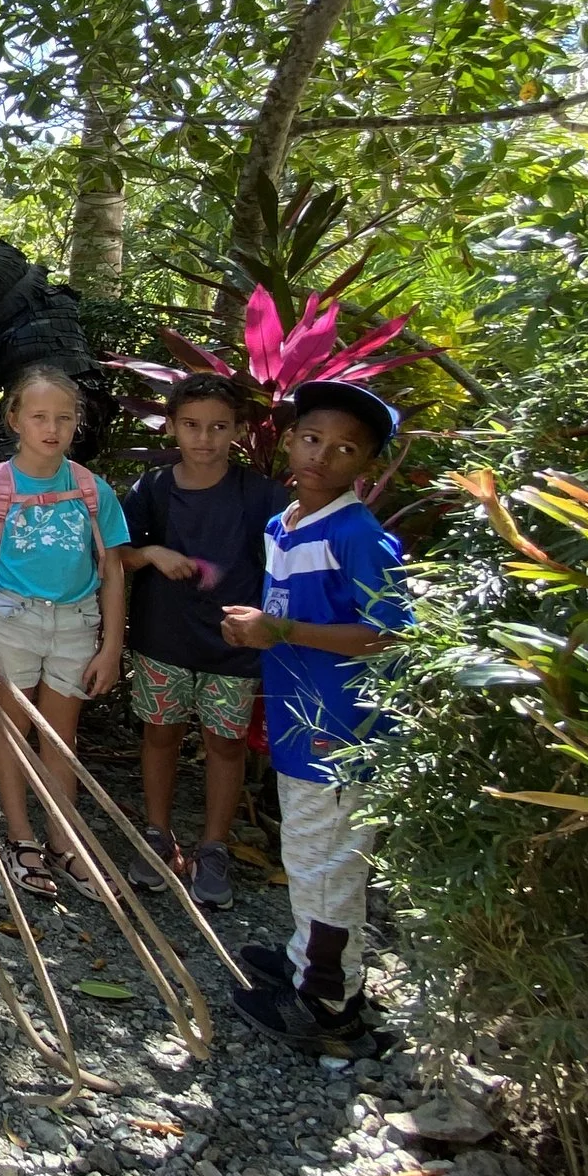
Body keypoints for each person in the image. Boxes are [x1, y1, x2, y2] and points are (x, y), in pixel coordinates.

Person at [219, 379, 410, 1055]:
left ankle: (329, 1001)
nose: (321, 456)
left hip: (341, 729)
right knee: (306, 851)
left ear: (364, 464)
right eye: (310, 438)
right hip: (299, 720)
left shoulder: (360, 536)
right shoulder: (286, 523)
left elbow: (389, 633)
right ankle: (311, 960)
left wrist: (281, 630)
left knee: (328, 859)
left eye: (344, 448)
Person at [0, 366, 132, 899]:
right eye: (39, 417)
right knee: (11, 727)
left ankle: (64, 839)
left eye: (64, 418)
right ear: (15, 420)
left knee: (59, 735)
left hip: (77, 624)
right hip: (10, 621)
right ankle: (21, 836)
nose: (51, 428)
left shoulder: (93, 489)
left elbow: (114, 569)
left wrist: (113, 646)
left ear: (78, 424)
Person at [119, 374, 286, 909]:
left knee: (226, 744)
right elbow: (118, 551)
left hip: (233, 645)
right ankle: (157, 834)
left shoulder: (261, 495)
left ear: (238, 430)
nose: (204, 438)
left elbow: (283, 567)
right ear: (170, 426)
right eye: (191, 425)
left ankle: (213, 847)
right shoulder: (152, 488)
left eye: (218, 427)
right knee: (160, 735)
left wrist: (268, 623)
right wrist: (152, 555)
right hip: (161, 638)